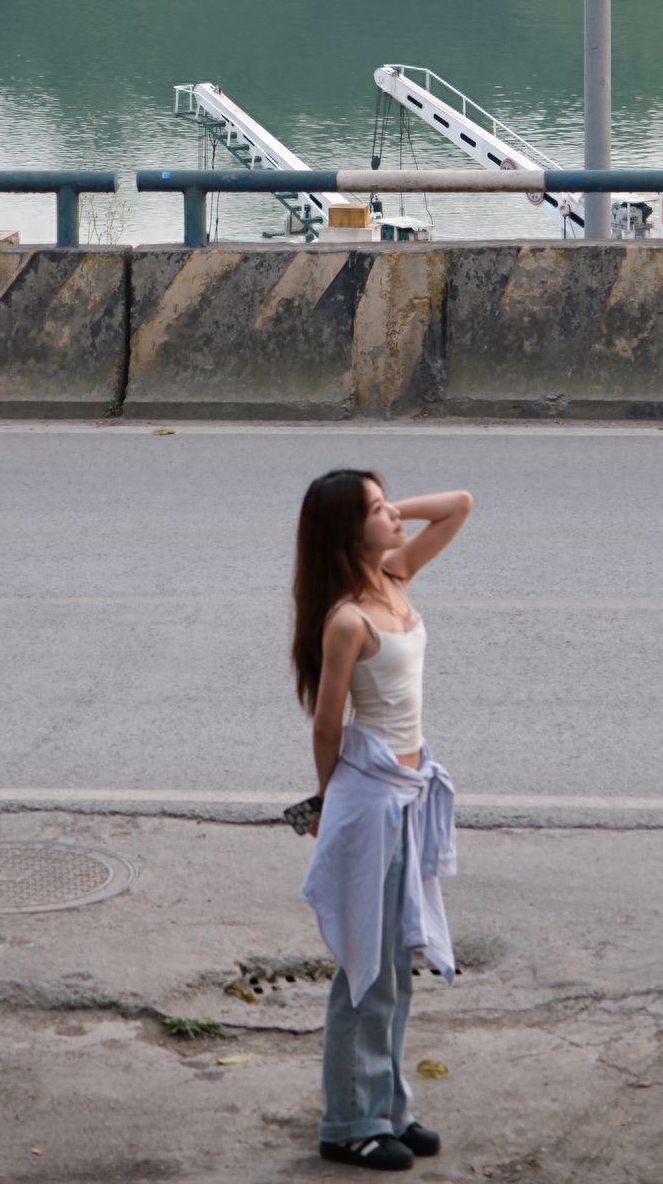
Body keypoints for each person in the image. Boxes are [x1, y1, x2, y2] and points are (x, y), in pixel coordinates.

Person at [292, 469, 474, 1172]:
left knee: (397, 959)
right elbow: (326, 723)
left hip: (410, 792)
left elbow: (459, 505)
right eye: (375, 509)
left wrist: (390, 504)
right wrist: (324, 800)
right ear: (346, 529)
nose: (394, 515)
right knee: (364, 969)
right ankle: (347, 1122)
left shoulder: (395, 574)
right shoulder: (347, 618)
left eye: (388, 502)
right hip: (369, 801)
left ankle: (389, 1106)